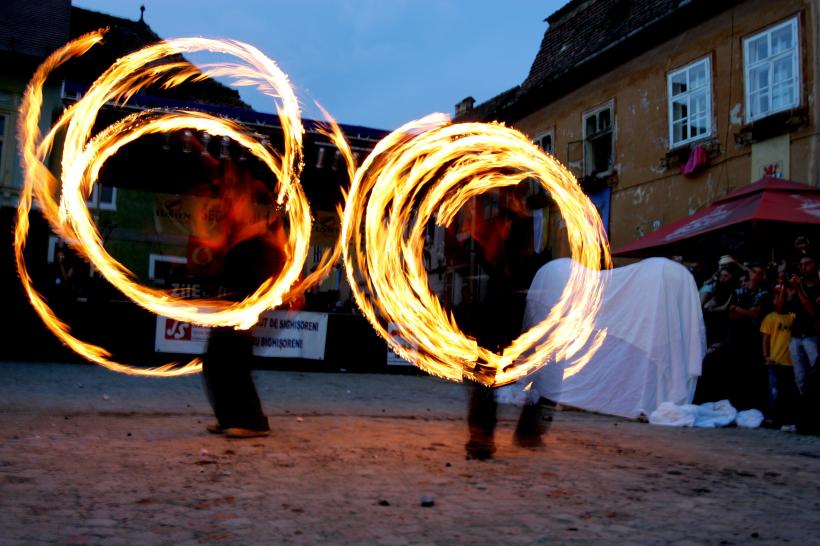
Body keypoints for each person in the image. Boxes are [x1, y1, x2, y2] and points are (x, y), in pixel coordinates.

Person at [201, 161, 288, 439]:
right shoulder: (234, 231)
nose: (227, 202)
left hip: (245, 306)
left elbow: (279, 256)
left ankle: (253, 421)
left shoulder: (263, 228)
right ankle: (228, 417)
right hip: (229, 305)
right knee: (214, 362)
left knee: (233, 361)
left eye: (232, 197)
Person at [727, 262, 771, 409]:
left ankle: (754, 405)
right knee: (737, 371)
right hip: (737, 336)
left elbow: (755, 314)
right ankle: (738, 404)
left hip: (754, 337)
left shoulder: (764, 294)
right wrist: (745, 312)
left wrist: (738, 309)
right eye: (754, 271)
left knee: (754, 372)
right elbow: (731, 315)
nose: (756, 275)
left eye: (760, 273)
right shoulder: (737, 292)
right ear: (749, 273)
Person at [760, 274, 797, 429]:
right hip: (775, 361)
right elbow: (765, 339)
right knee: (774, 390)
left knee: (788, 391)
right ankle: (772, 417)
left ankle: (785, 417)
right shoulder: (770, 318)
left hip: (791, 362)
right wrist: (766, 356)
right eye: (776, 297)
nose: (779, 299)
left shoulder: (793, 316)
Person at [782, 254, 820, 396]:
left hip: (813, 336)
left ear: (817, 266)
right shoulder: (798, 285)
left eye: (807, 264)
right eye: (801, 265)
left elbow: (813, 312)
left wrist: (798, 289)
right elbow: (782, 308)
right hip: (796, 336)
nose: (803, 267)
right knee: (800, 376)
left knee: (816, 373)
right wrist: (785, 285)